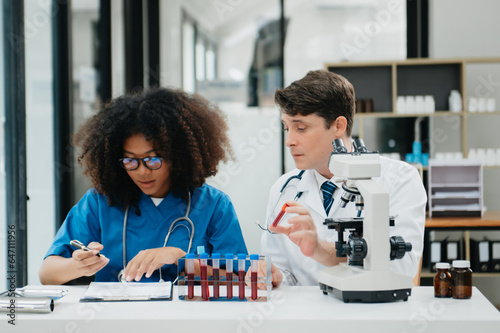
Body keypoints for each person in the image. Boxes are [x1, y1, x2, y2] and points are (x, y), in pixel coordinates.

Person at [39, 87, 247, 285]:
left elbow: (241, 279)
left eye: (153, 159)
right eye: (130, 160)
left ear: (178, 156)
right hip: (117, 319)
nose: (142, 171)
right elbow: (47, 274)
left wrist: (180, 258)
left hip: (185, 320)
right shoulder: (100, 202)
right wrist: (77, 266)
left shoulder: (213, 206)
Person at [259, 70, 426, 288]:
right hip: (306, 317)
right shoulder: (284, 188)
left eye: (301, 128)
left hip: (370, 315)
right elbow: (284, 273)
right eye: (286, 128)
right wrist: (275, 277)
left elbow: (402, 269)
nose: (289, 140)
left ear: (338, 126)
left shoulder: (399, 179)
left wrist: (321, 250)